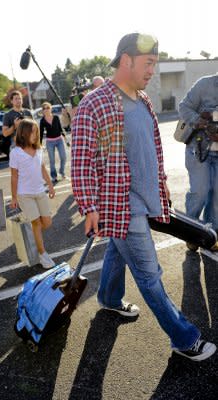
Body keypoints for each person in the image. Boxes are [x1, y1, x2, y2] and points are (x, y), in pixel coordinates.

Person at [71, 32, 216, 361]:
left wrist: (160, 181)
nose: (153, 71)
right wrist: (89, 206)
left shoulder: (143, 101)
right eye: (148, 63)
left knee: (118, 251)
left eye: (155, 64)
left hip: (146, 200)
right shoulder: (94, 103)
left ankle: (108, 297)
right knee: (150, 276)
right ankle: (183, 338)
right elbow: (79, 162)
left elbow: (152, 147)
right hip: (122, 205)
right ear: (126, 61)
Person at [9, 118, 56, 269]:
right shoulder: (15, 153)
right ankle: (42, 255)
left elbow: (42, 169)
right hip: (24, 194)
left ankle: (34, 235)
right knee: (36, 223)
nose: (36, 135)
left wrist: (50, 185)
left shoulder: (39, 149)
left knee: (47, 223)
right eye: (33, 132)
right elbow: (14, 176)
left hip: (40, 191)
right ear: (24, 133)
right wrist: (14, 197)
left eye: (37, 132)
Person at [179, 74, 218, 251]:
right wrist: (201, 121)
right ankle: (191, 234)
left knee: (217, 196)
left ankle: (211, 235)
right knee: (200, 192)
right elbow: (184, 107)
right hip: (198, 149)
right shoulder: (204, 84)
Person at [39, 102, 67, 184]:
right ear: (43, 111)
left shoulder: (56, 117)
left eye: (47, 108)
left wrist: (65, 138)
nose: (46, 110)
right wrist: (39, 144)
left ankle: (61, 172)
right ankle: (54, 176)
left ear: (50, 108)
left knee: (63, 157)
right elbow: (40, 133)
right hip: (49, 142)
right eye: (44, 108)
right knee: (52, 160)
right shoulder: (42, 120)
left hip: (59, 140)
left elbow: (60, 128)